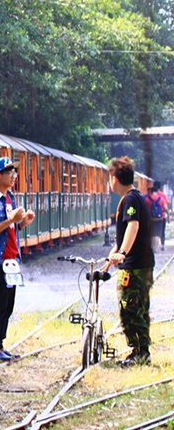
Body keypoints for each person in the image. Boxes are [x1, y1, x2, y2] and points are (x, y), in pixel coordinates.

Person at [0, 157, 35, 362]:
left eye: (14, 172)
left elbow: (10, 229)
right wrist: (10, 220)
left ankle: (0, 344)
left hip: (12, 259)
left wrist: (21, 224)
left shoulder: (10, 197)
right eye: (9, 172)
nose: (13, 176)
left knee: (8, 304)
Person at [102, 156, 155, 366]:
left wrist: (122, 252)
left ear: (114, 178)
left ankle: (140, 353)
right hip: (138, 263)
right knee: (136, 308)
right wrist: (111, 256)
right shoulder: (133, 197)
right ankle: (140, 351)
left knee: (130, 309)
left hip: (135, 266)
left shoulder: (131, 200)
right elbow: (125, 233)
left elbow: (133, 226)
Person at [145, 180, 168, 252]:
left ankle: (152, 246)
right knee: (160, 231)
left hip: (151, 218)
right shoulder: (162, 196)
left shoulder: (148, 197)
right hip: (161, 217)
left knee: (152, 232)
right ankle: (162, 245)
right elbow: (165, 207)